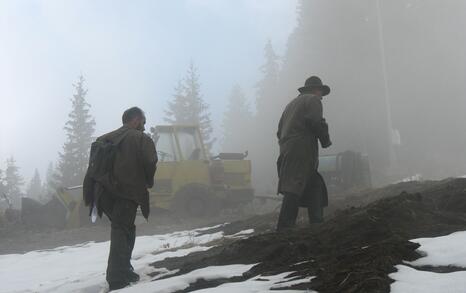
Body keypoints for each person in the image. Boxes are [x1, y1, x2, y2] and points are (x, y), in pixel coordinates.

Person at [97, 107, 157, 290]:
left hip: (104, 194)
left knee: (126, 229)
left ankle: (125, 270)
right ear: (136, 119)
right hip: (126, 193)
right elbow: (150, 162)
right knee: (122, 230)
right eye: (143, 122)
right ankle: (117, 279)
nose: (144, 126)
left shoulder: (104, 138)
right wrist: (146, 181)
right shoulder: (140, 138)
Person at [276, 76, 332, 231]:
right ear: (316, 89)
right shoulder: (313, 100)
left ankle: (317, 223)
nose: (321, 96)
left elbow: (279, 131)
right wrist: (325, 140)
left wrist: (287, 146)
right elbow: (315, 122)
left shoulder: (290, 105)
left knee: (315, 184)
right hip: (302, 149)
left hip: (287, 149)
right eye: (321, 92)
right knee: (294, 186)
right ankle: (284, 228)